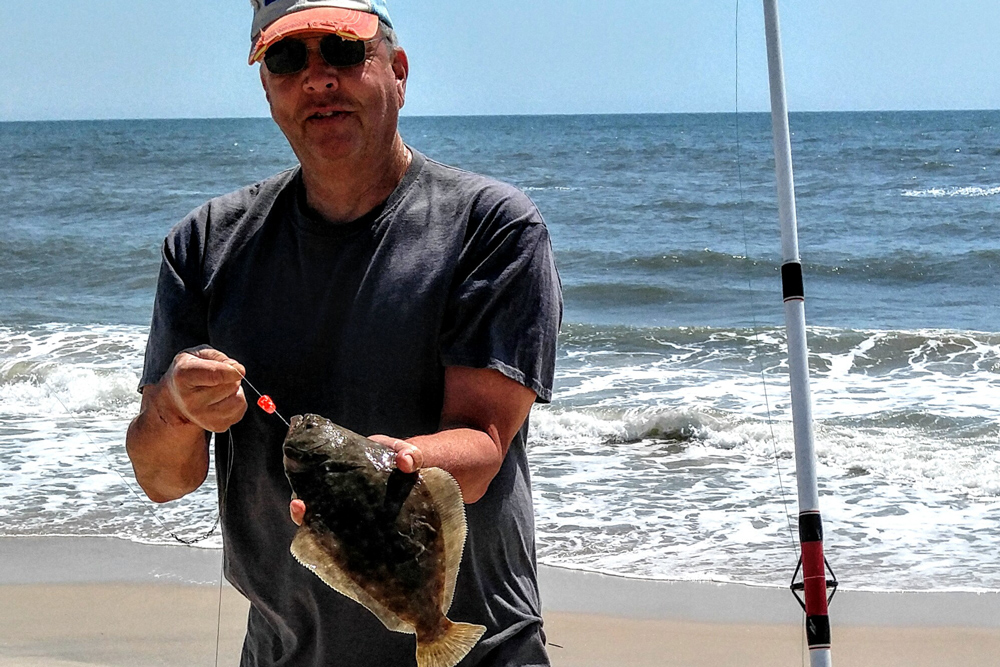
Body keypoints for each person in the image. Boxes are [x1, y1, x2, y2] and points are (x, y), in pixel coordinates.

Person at [124, 1, 562, 666]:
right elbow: (161, 478)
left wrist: (389, 464)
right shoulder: (204, 246)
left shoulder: (492, 227)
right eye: (287, 58)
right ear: (267, 86)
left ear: (399, 71)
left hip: (481, 653)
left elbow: (483, 447)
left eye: (343, 50)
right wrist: (177, 408)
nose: (318, 78)